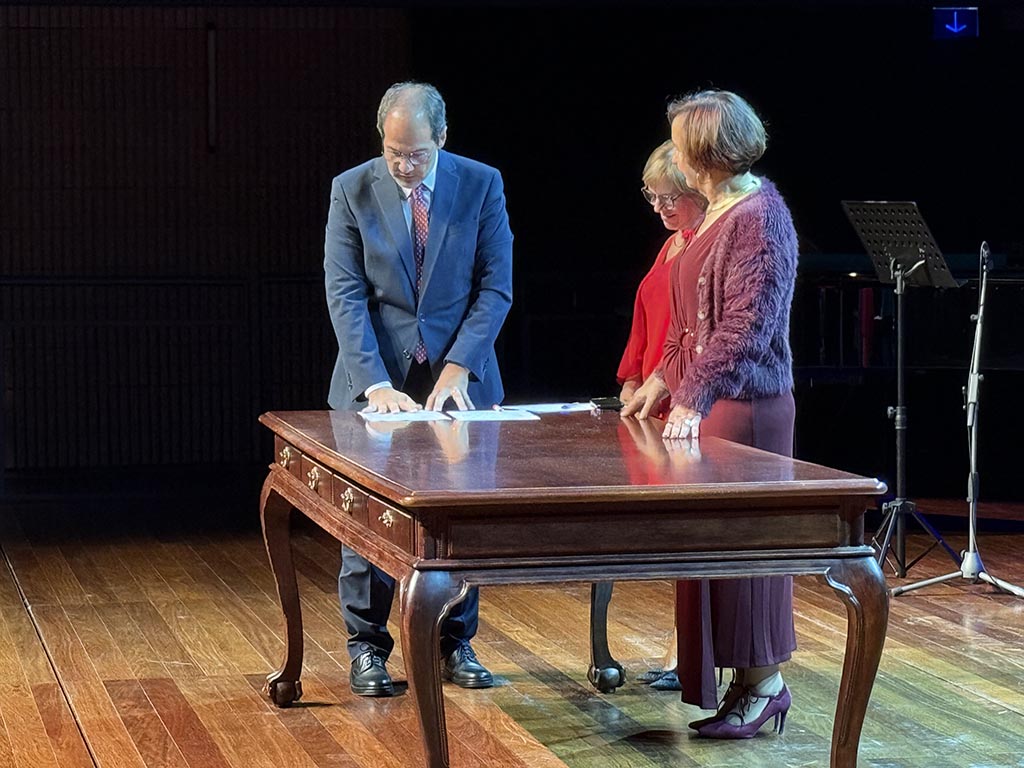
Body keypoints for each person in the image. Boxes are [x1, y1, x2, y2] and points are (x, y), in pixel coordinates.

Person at [324, 81, 513, 697]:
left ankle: (455, 642)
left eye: (417, 155)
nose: (405, 167)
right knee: (365, 518)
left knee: (457, 517)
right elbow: (345, 292)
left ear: (443, 139)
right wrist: (373, 381)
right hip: (377, 375)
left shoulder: (481, 183)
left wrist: (460, 366)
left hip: (456, 375)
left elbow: (495, 287)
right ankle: (367, 648)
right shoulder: (351, 188)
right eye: (394, 153)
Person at [622, 89, 799, 739]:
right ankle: (743, 687)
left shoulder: (759, 215)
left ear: (704, 153)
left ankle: (765, 686)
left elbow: (748, 324)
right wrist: (663, 380)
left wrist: (694, 394)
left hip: (745, 407)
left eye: (681, 145)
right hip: (712, 401)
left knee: (747, 553)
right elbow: (687, 321)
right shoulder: (718, 212)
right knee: (712, 550)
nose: (675, 157)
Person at [616, 140, 704, 691]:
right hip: (651, 400)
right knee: (669, 538)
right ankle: (681, 648)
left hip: (686, 399)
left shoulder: (707, 243)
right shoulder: (671, 244)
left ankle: (687, 652)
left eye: (671, 196)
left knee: (690, 536)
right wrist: (630, 375)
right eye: (652, 196)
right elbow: (646, 315)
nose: (660, 207)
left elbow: (699, 333)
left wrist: (663, 381)